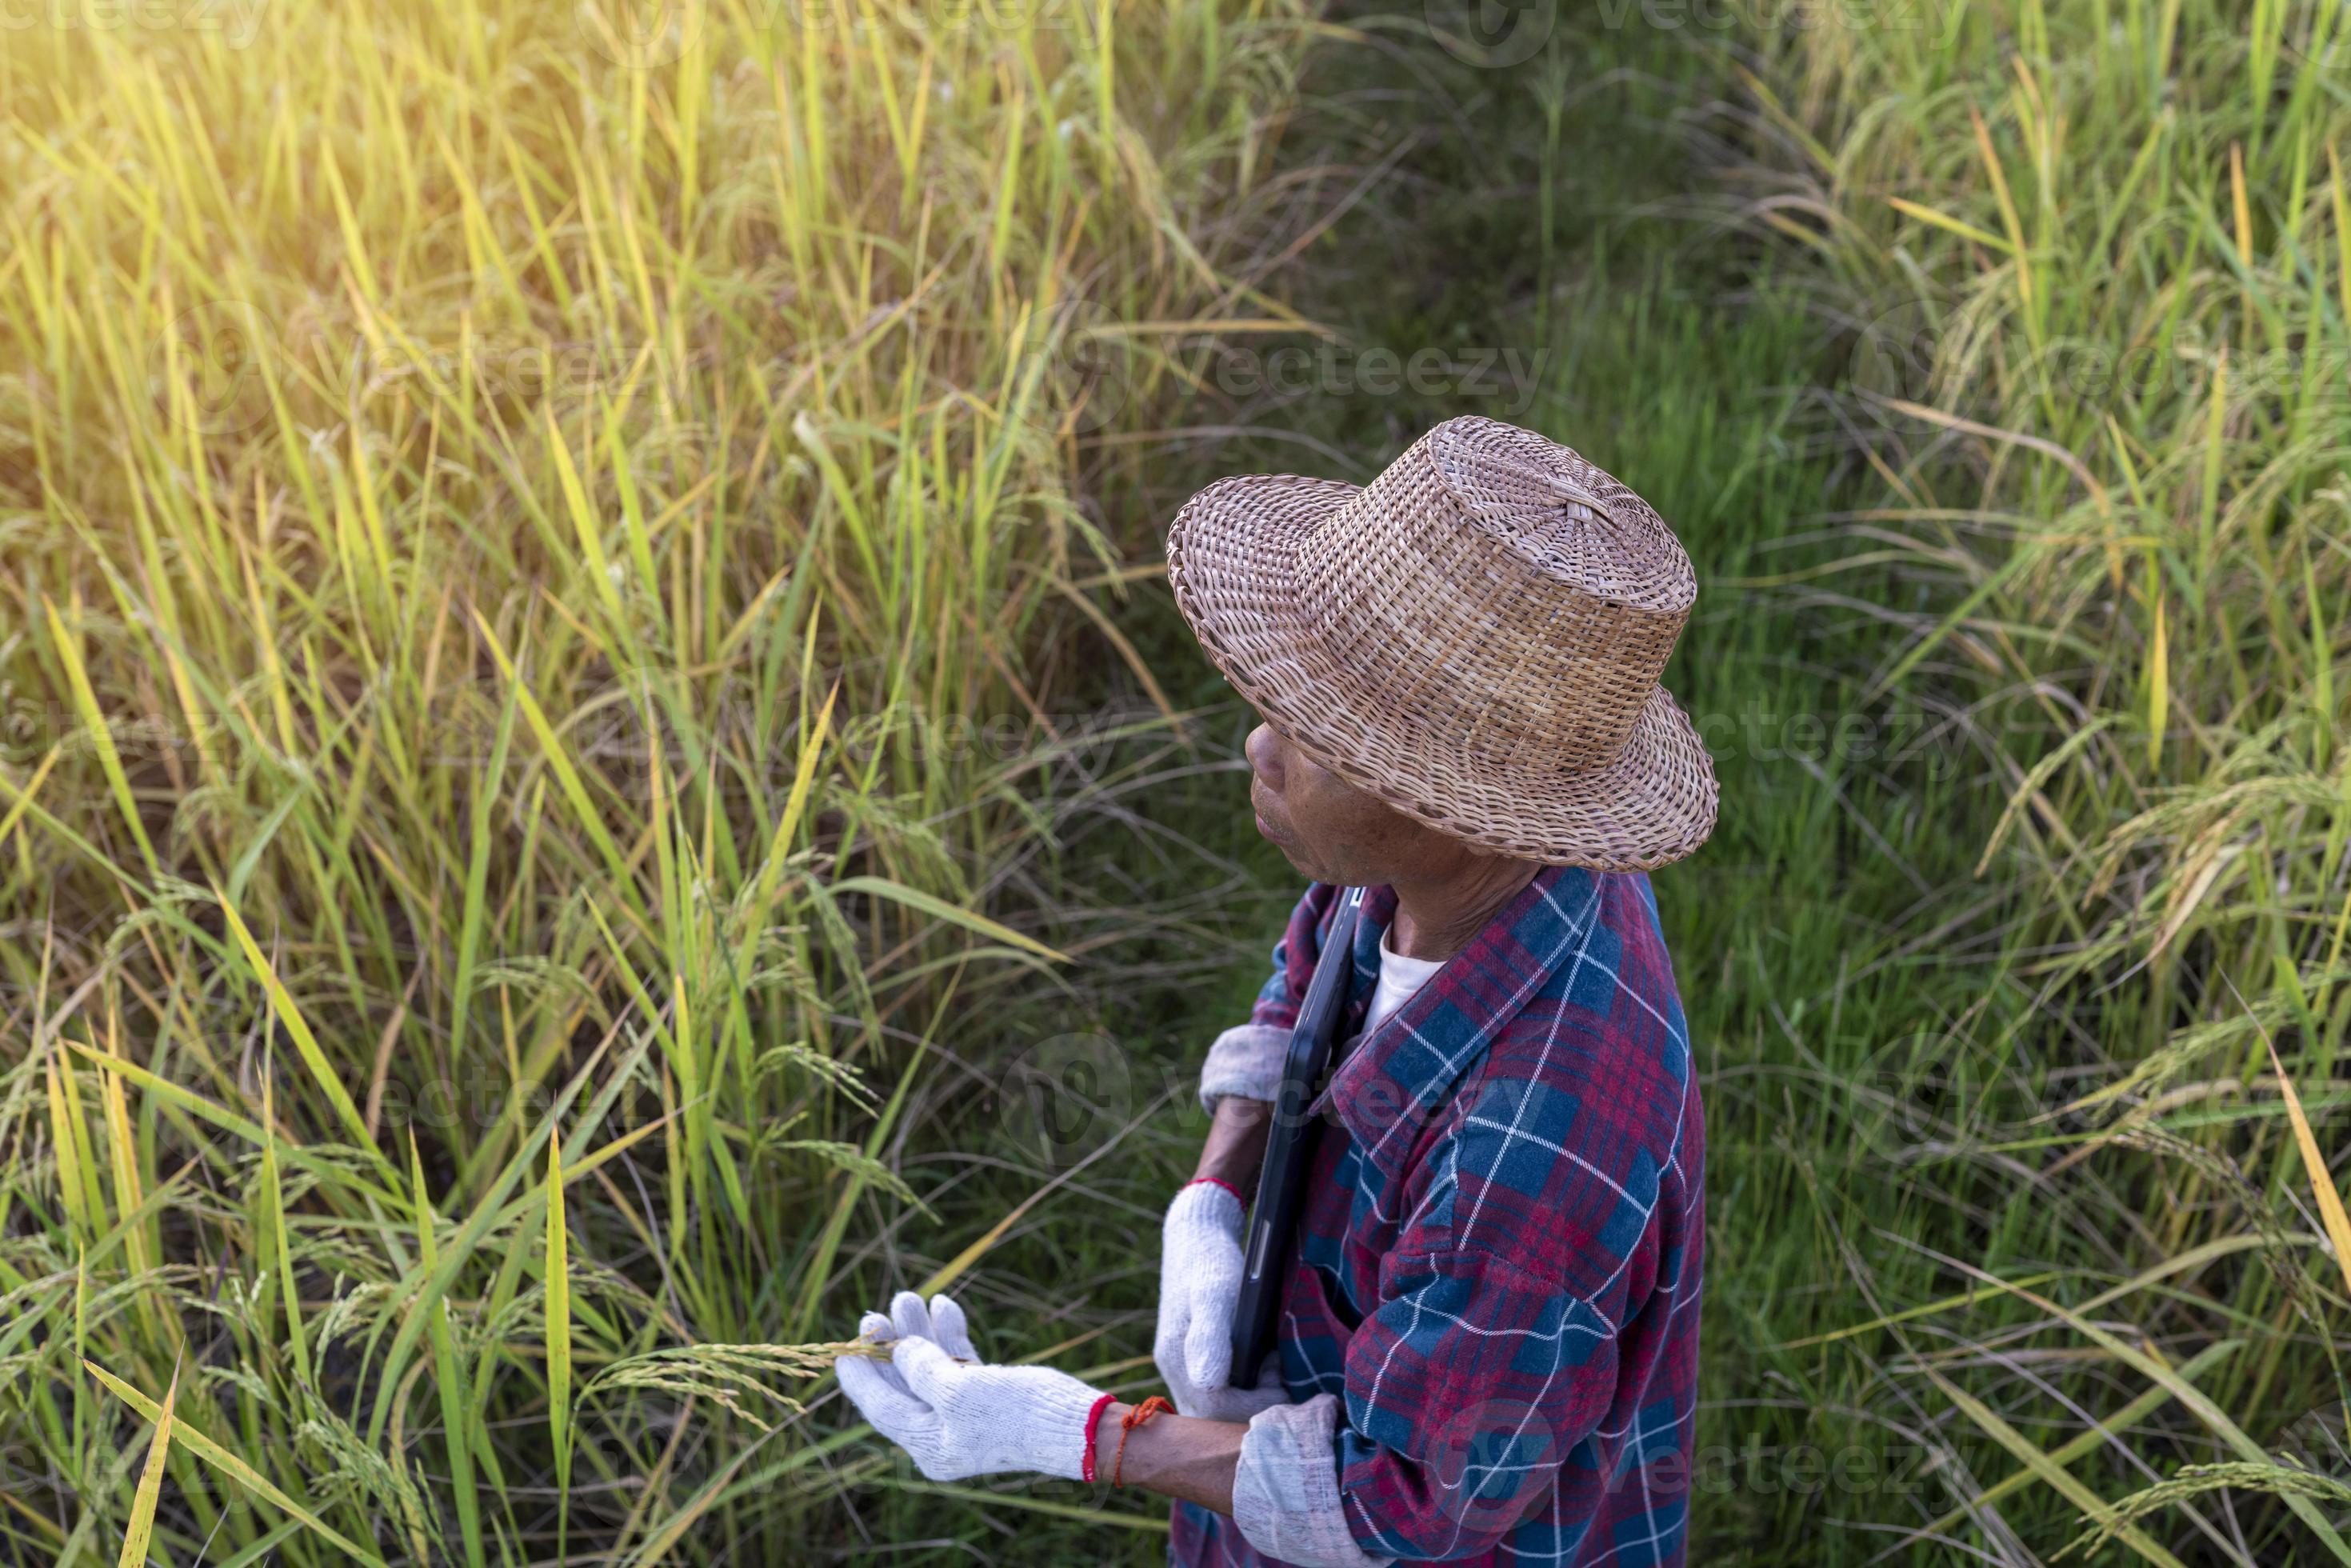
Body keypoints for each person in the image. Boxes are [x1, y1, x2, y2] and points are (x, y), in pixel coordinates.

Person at [836, 416, 1717, 1565]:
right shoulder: (1450, 874)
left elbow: (1413, 1501)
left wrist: (1082, 1434)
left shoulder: (1535, 1150)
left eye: (1317, 734)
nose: (1259, 748)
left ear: (1456, 805)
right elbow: (1308, 975)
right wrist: (1212, 1200)